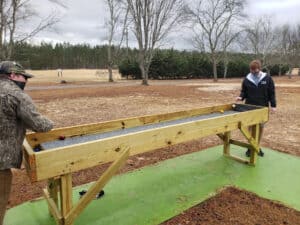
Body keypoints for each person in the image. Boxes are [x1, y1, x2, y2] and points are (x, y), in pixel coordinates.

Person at [0, 61, 54, 225]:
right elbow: (40, 124)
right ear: (13, 75)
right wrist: (52, 124)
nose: (26, 81)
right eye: (24, 77)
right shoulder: (15, 94)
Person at [236, 59, 276, 157]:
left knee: (260, 127)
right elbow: (244, 91)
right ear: (250, 69)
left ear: (259, 69)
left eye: (256, 71)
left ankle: (257, 146)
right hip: (249, 107)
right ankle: (250, 147)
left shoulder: (267, 78)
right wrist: (241, 97)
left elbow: (271, 92)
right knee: (250, 127)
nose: (254, 72)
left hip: (262, 107)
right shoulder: (247, 79)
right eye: (252, 71)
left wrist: (273, 105)